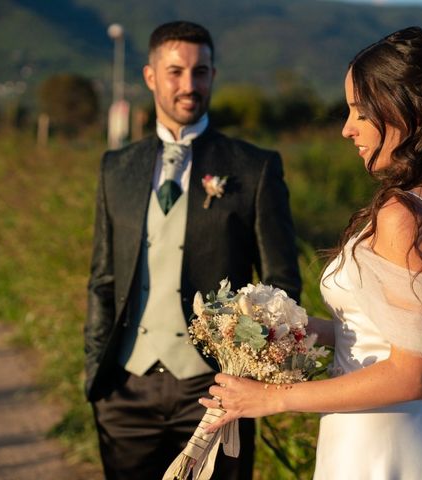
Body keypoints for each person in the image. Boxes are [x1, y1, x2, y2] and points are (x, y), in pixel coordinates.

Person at [200, 26, 422, 479]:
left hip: (385, 438)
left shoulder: (406, 214)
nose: (346, 129)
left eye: (360, 112)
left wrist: (271, 399)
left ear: (405, 109)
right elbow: (396, 336)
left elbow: (412, 374)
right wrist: (288, 333)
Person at [84, 20, 301, 480]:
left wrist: (247, 373)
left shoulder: (254, 168)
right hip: (125, 394)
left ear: (212, 75)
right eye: (176, 71)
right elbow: (103, 279)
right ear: (150, 77)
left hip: (215, 392)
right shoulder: (115, 168)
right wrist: (96, 379)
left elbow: (281, 285)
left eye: (200, 72)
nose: (189, 85)